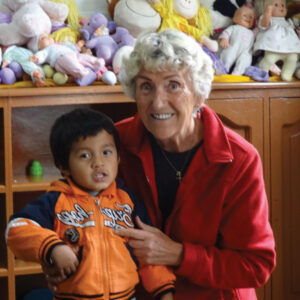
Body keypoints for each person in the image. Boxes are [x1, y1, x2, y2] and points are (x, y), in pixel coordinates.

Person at [45, 29, 276, 299]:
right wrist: (61, 253)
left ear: (199, 94)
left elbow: (255, 265)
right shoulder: (113, 147)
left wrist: (178, 254)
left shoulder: (239, 159)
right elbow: (77, 210)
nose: (157, 102)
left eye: (173, 85)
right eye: (146, 86)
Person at [5, 108, 175, 300]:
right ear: (63, 166)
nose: (98, 163)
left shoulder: (128, 201)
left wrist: (164, 291)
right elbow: (16, 229)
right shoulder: (55, 201)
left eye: (106, 152)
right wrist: (53, 248)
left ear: (118, 158)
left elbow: (148, 251)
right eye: (85, 155)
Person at [29, 34, 106, 79]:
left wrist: (77, 46)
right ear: (38, 48)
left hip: (72, 54)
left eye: (46, 35)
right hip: (60, 58)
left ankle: (96, 63)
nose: (46, 37)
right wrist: (36, 58)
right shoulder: (45, 50)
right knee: (71, 64)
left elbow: (69, 47)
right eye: (42, 38)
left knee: (83, 58)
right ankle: (81, 72)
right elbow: (41, 55)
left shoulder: (59, 44)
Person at [219, 4, 256, 75]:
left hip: (245, 52)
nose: (248, 18)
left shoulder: (252, 33)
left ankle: (238, 72)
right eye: (245, 15)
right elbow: (226, 33)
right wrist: (224, 39)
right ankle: (223, 69)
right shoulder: (234, 27)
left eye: (251, 17)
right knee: (228, 55)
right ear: (235, 18)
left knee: (246, 60)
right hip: (233, 47)